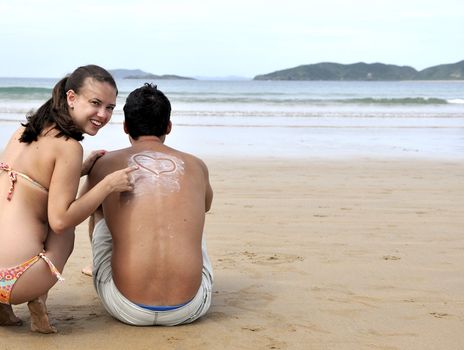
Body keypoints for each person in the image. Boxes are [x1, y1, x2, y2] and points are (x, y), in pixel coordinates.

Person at [0, 65, 137, 333]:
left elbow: (34, 181)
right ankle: (37, 297)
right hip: (18, 280)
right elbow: (61, 220)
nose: (103, 114)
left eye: (110, 107)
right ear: (71, 98)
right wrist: (107, 184)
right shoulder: (68, 146)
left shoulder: (23, 132)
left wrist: (79, 170)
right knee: (63, 226)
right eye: (95, 103)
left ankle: (2, 310)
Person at [83, 83, 213, 326]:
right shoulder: (196, 165)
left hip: (126, 306)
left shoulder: (103, 163)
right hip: (190, 306)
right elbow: (205, 206)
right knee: (191, 217)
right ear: (168, 127)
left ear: (125, 127)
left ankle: (96, 266)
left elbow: (81, 208)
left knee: (98, 205)